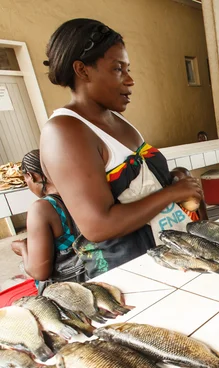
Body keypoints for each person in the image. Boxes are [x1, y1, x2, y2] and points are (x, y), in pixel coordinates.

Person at [40, 19, 203, 279]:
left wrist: (174, 180)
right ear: (82, 70)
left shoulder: (116, 120)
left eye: (128, 69)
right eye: (118, 69)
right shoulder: (64, 131)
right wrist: (171, 193)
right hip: (131, 271)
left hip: (168, 252)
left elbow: (139, 186)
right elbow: (98, 225)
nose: (130, 80)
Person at [11, 150, 84, 293]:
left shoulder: (41, 209)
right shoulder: (81, 192)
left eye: (26, 179)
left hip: (69, 292)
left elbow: (40, 272)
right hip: (100, 272)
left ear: (32, 176)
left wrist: (23, 248)